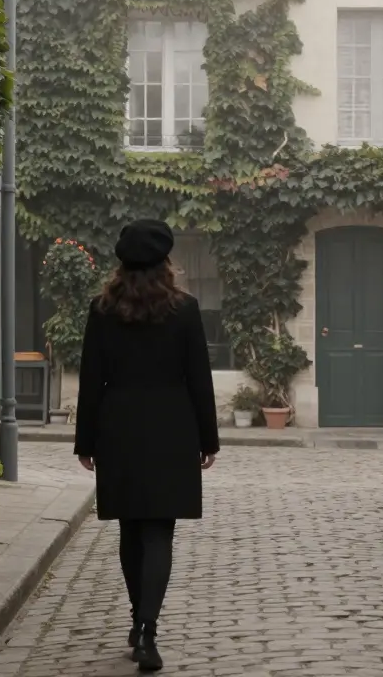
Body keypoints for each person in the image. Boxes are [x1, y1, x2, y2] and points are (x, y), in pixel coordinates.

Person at [73, 218, 220, 672]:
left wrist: (85, 439)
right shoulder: (186, 309)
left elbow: (90, 379)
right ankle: (148, 630)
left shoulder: (102, 309)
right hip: (171, 429)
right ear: (166, 261)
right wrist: (208, 438)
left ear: (121, 263)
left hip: (118, 428)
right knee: (159, 532)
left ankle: (137, 622)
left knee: (130, 529)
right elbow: (199, 379)